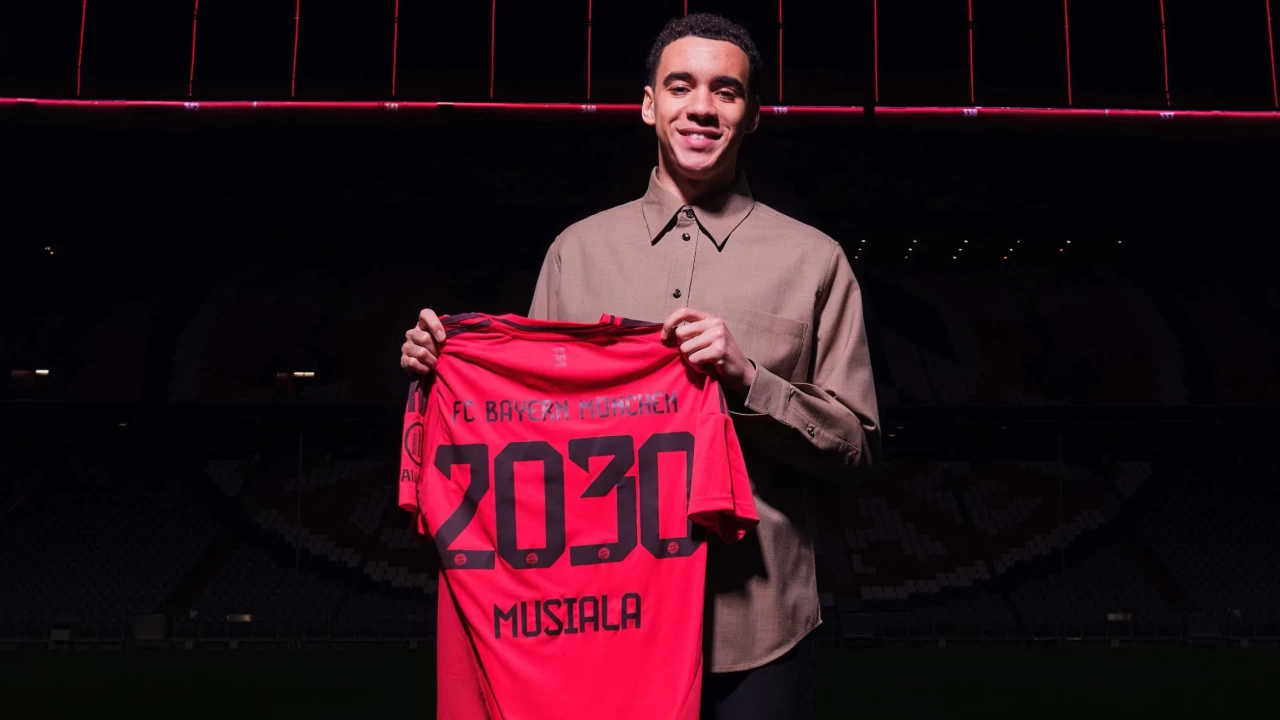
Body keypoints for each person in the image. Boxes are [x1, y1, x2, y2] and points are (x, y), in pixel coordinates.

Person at [399, 13, 880, 719]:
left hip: (756, 633)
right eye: (681, 87)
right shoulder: (576, 252)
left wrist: (751, 381)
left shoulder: (815, 260)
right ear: (650, 104)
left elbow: (857, 449)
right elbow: (527, 432)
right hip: (602, 625)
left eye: (725, 91)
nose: (702, 107)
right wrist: (443, 371)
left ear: (751, 115)